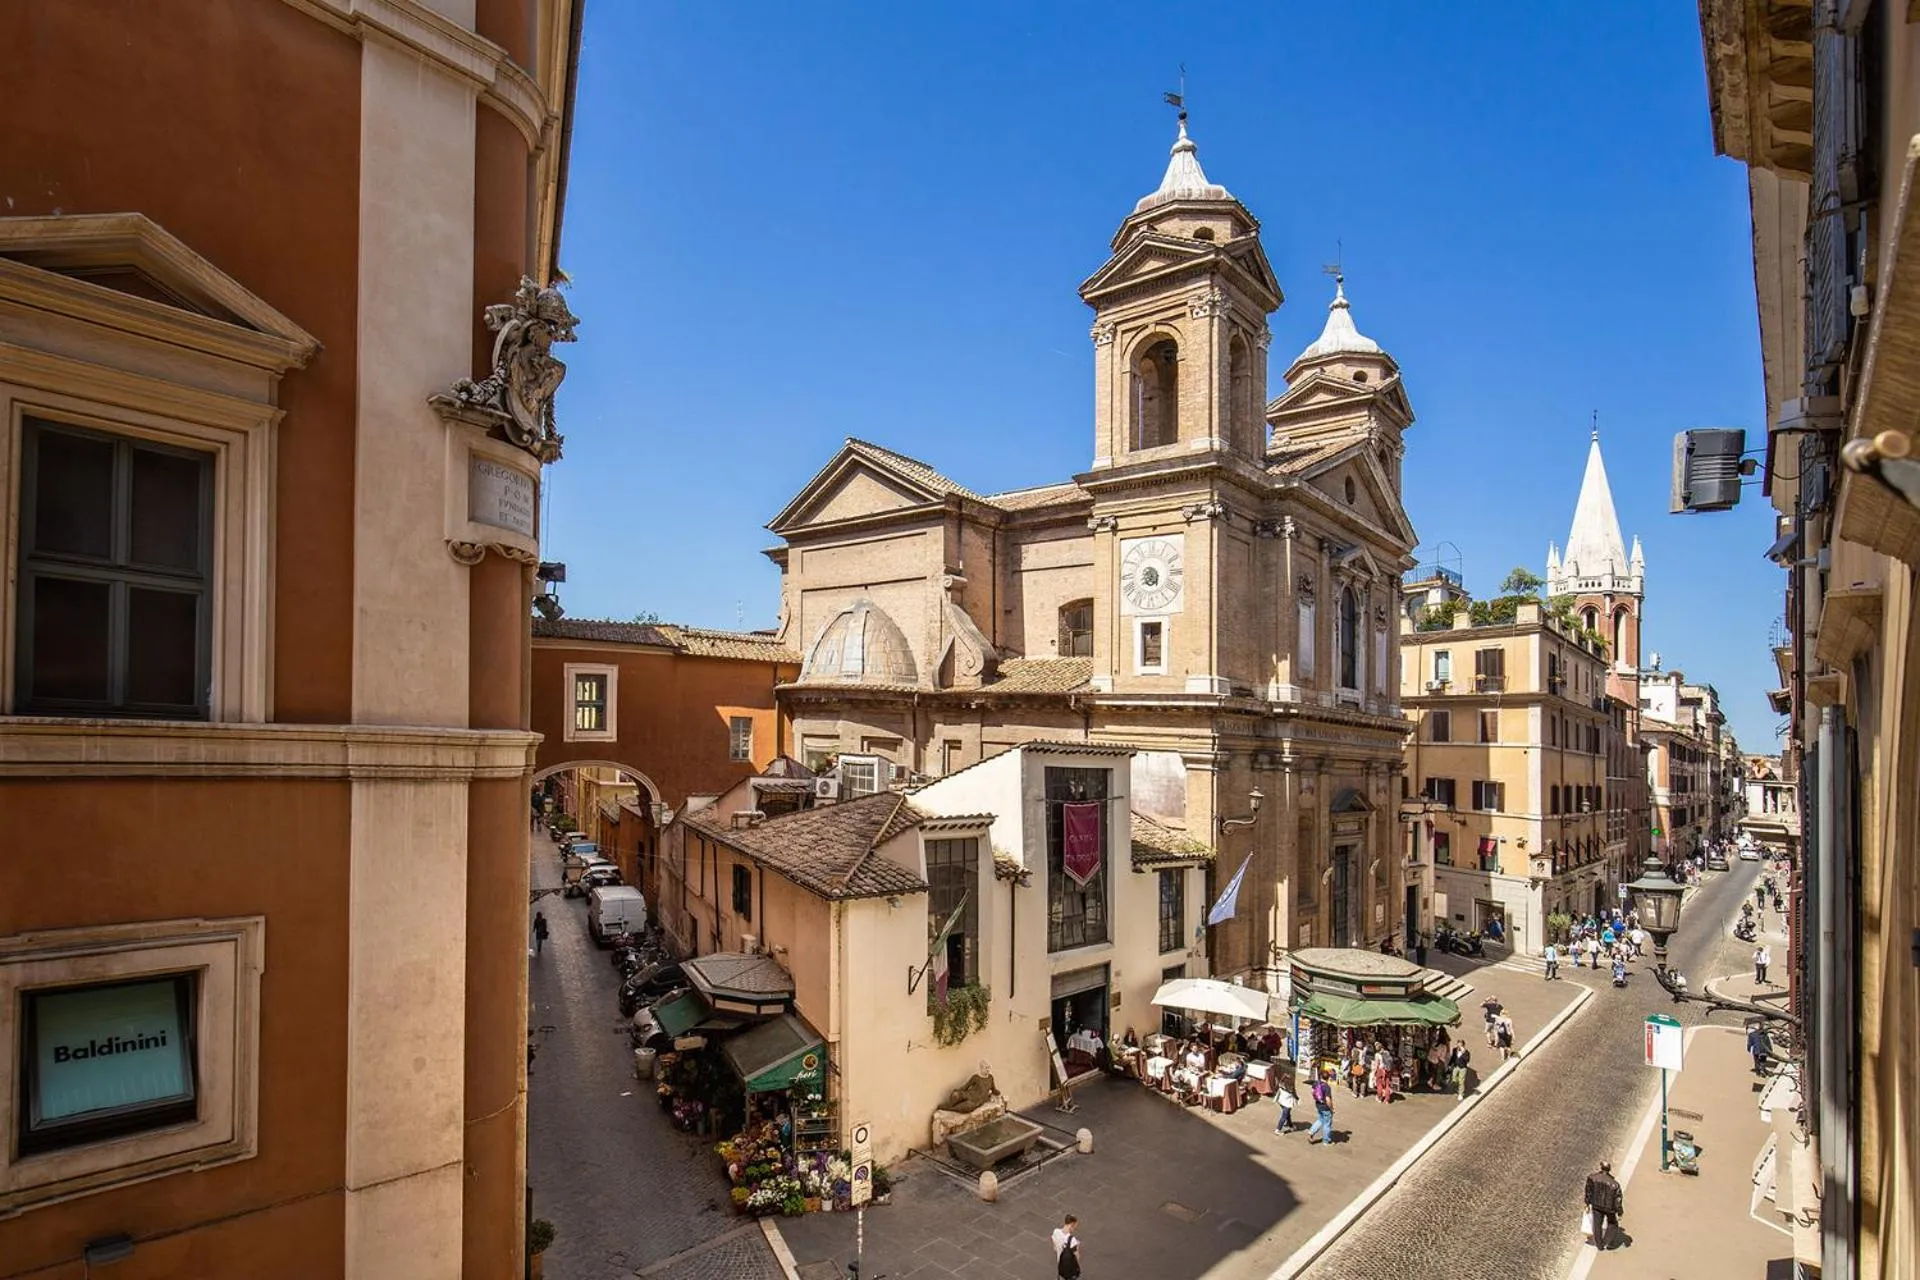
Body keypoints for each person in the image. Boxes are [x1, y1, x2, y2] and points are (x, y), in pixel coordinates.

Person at [1584, 1161, 1625, 1250]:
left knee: (1597, 1224)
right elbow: (1618, 1199)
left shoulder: (1592, 1178)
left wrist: (1587, 1203)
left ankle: (1599, 1245)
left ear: (1601, 1168)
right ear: (1609, 1170)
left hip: (1596, 1205)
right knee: (1612, 1224)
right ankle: (1606, 1241)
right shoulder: (1614, 1184)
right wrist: (1620, 1212)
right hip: (1609, 1207)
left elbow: (1588, 1192)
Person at [1306, 1068, 1336, 1144]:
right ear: (1328, 1078)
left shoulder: (1316, 1083)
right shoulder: (1327, 1087)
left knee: (1320, 1120)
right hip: (1326, 1107)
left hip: (1318, 1105)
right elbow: (1328, 1099)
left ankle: (1311, 1132)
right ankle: (1326, 1141)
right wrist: (1331, 1108)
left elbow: (1312, 1092)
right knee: (1327, 1124)